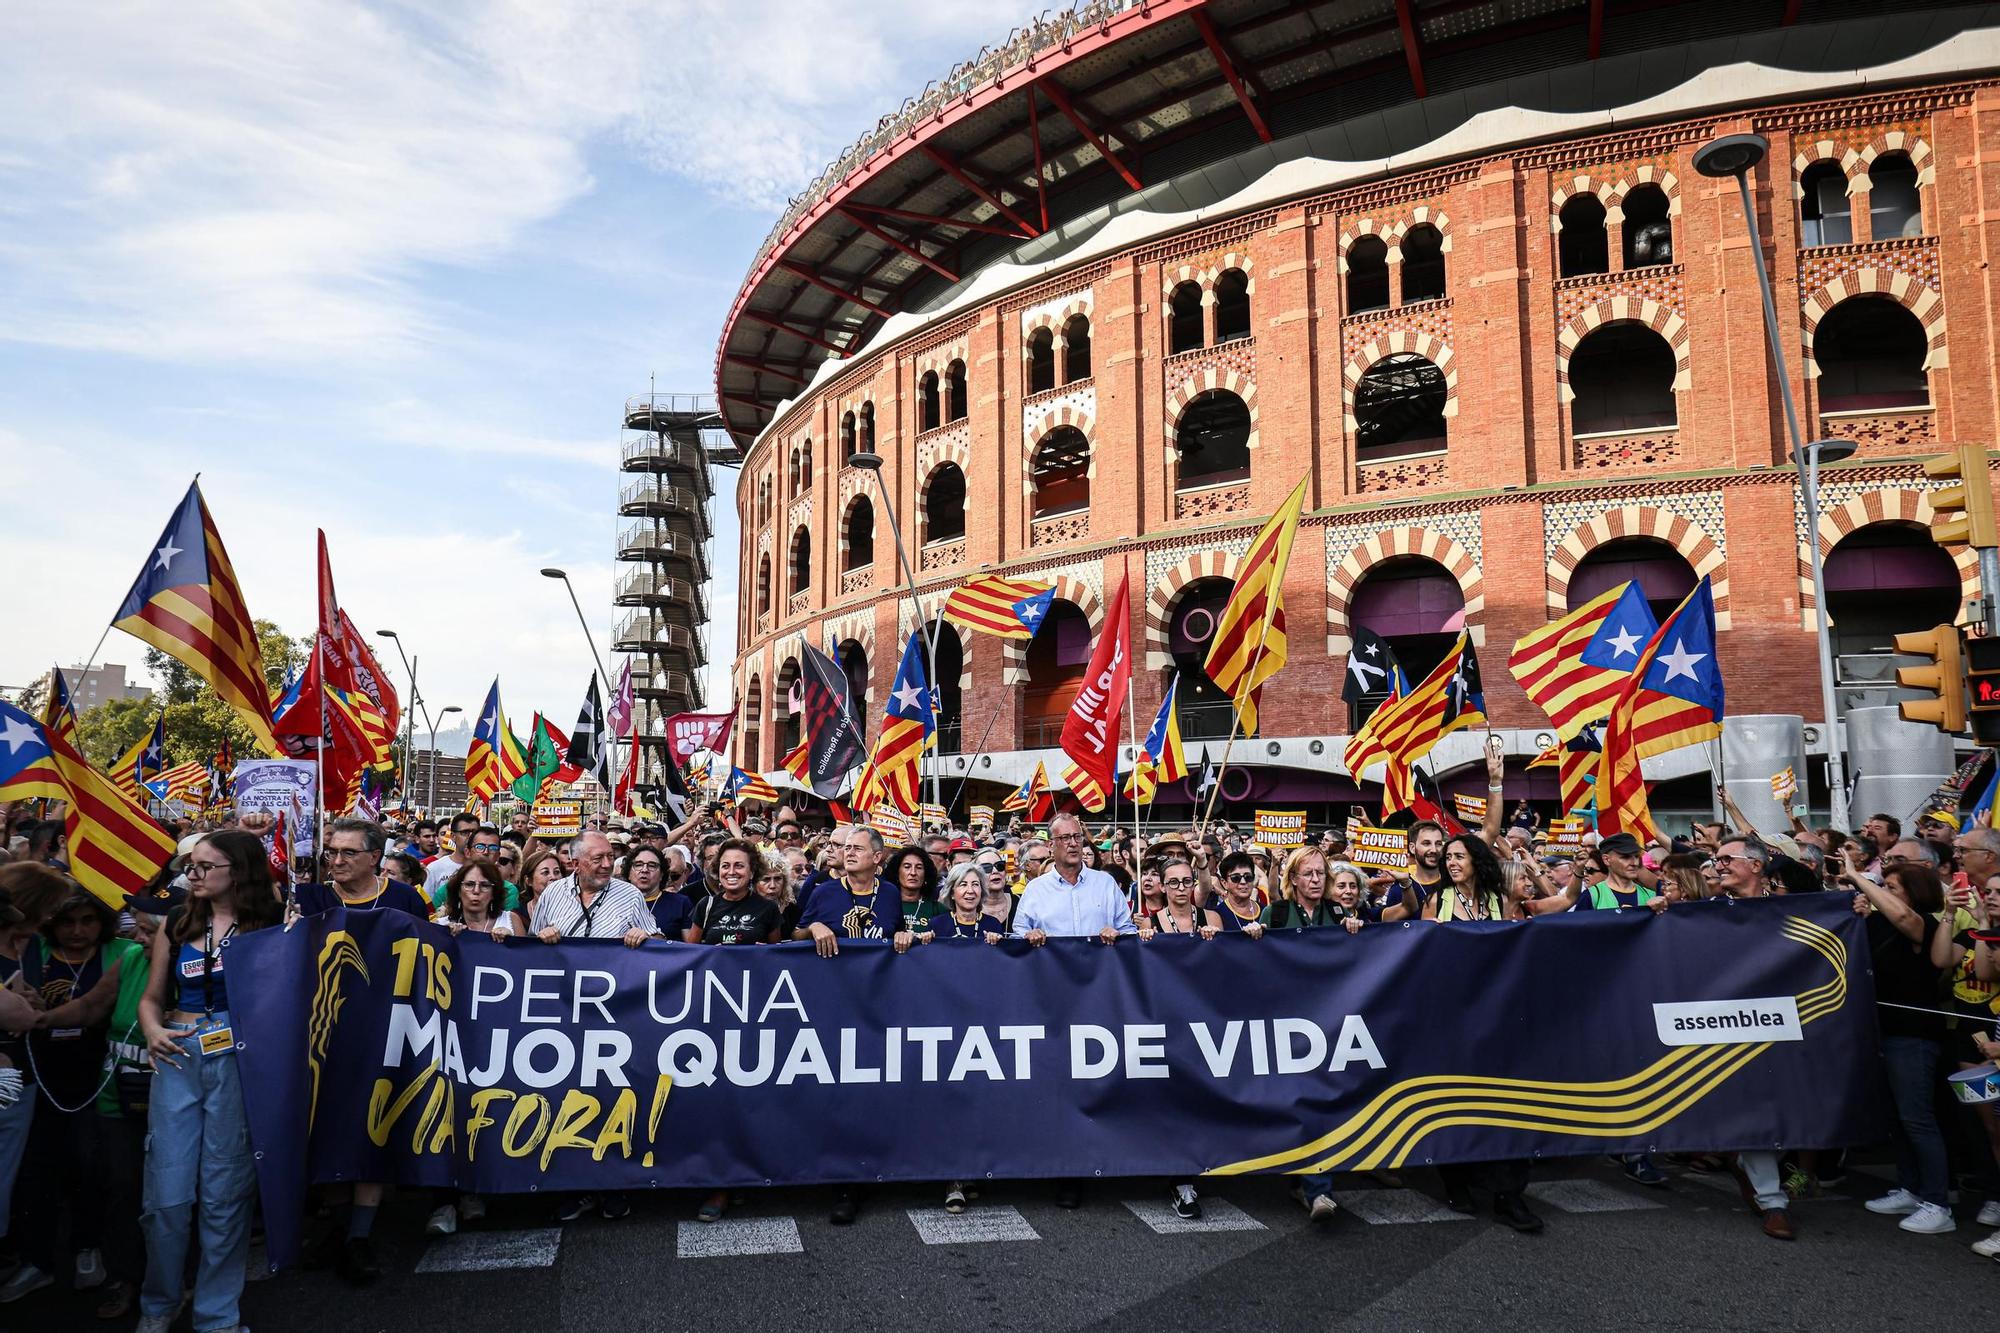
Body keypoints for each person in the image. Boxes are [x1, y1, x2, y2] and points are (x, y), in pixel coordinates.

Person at [134, 829, 281, 1333]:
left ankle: (217, 1316)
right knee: (166, 1198)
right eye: (189, 866)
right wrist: (153, 1028)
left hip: (240, 1067)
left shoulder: (273, 925)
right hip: (178, 1058)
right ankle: (159, 1303)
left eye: (203, 866)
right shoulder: (177, 923)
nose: (190, 875)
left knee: (225, 1195)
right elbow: (151, 997)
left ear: (237, 872)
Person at [4, 886, 135, 1303]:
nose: (78, 931)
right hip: (37, 1075)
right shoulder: (32, 950)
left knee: (91, 1164)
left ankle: (87, 1247)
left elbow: (100, 1008)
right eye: (67, 922)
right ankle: (36, 1260)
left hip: (97, 1077)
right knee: (35, 1169)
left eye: (88, 921)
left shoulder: (123, 953)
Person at [1012, 814, 1144, 1211]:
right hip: (1052, 1001)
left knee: (1096, 1079)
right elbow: (1016, 937)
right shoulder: (1035, 890)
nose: (1072, 843)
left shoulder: (1105, 884)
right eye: (1063, 838)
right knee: (1060, 1084)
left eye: (1077, 836)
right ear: (1050, 846)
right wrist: (1028, 937)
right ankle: (1066, 1169)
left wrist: (1117, 934)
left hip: (1099, 999)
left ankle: (1099, 1159)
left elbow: (1130, 933)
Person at [1842, 852, 1954, 1234]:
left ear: (1913, 893)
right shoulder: (1879, 924)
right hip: (1883, 1030)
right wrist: (1859, 907)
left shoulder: (1926, 923)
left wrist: (1861, 880)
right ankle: (1910, 1186)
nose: (1881, 893)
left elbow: (1907, 921)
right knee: (1896, 1117)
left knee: (1917, 1118)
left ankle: (1939, 1203)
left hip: (1915, 1034)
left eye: (1890, 888)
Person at [293, 817, 434, 920]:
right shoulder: (309, 899)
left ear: (374, 857)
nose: (337, 861)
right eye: (333, 852)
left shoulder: (406, 898)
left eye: (349, 853)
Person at [1264, 846, 1347, 930]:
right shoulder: (1273, 913)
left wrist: (1353, 927)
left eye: (1320, 873)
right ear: (1293, 878)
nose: (1316, 879)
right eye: (1308, 874)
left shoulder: (1338, 913)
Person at [1378, 820, 1446, 921]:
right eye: (1426, 843)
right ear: (1412, 848)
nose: (1434, 849)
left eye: (1438, 844)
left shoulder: (1452, 883)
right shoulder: (1398, 890)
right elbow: (1390, 931)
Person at [439, 860, 524, 938]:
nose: (476, 891)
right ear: (458, 891)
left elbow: (525, 953)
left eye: (485, 885)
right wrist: (444, 937)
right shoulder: (441, 925)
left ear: (494, 893)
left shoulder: (511, 921)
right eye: (469, 884)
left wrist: (512, 941)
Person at [1136, 861, 1219, 940]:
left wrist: (1214, 937)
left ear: (1193, 885)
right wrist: (1146, 938)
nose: (1181, 888)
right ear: (1162, 887)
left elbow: (1221, 952)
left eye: (1187, 881)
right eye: (1173, 882)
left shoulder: (1212, 918)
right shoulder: (1148, 924)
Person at [883, 845, 943, 951]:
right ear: (897, 872)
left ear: (926, 874)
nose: (913, 873)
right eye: (907, 867)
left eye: (919, 867)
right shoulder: (883, 906)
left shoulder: (938, 909)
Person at [626, 846, 693, 941]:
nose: (644, 870)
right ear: (628, 873)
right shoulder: (615, 902)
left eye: (652, 865)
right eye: (638, 865)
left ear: (662, 874)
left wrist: (652, 941)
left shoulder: (681, 903)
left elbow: (691, 948)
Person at [1210, 851, 1266, 935]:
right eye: (1236, 878)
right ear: (1224, 883)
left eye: (1248, 877)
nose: (1243, 882)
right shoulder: (1216, 915)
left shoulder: (1265, 911)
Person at [754, 855, 801, 937]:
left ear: (785, 881)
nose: (772, 886)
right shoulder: (744, 910)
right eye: (766, 879)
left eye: (777, 879)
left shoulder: (793, 909)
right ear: (754, 883)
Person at [516, 847, 564, 918]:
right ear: (529, 881)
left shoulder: (574, 907)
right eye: (545, 872)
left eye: (557, 872)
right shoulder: (518, 914)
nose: (553, 877)